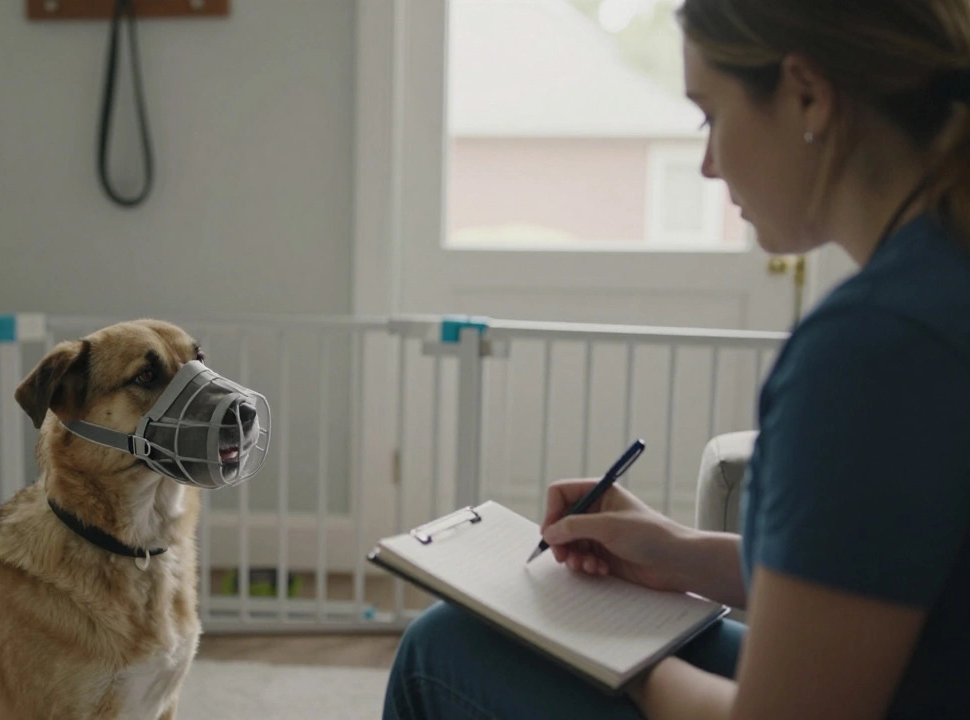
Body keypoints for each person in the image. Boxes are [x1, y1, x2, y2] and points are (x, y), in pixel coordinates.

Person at [382, 1, 970, 718]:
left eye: (709, 115)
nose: (707, 162)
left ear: (807, 94)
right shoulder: (938, 287)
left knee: (439, 653)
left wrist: (625, 663)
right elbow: (885, 579)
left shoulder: (870, 351)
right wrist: (678, 549)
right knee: (453, 634)